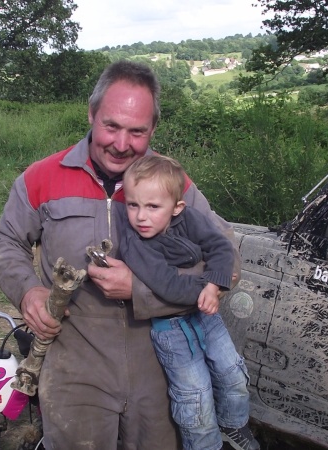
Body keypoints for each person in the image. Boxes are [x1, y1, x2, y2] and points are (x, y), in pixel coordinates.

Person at [0, 60, 240, 449]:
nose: (122, 144)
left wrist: (141, 289)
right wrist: (27, 292)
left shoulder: (173, 187)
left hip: (160, 367)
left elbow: (227, 261)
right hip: (75, 367)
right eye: (111, 126)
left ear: (153, 129)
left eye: (137, 131)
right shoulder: (42, 176)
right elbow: (6, 241)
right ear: (91, 114)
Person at [116, 154, 258, 450]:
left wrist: (214, 282)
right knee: (196, 397)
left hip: (208, 317)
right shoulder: (134, 243)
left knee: (232, 373)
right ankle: (206, 445)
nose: (141, 217)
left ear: (177, 207)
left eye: (153, 207)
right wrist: (205, 285)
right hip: (171, 330)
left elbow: (220, 246)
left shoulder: (189, 219)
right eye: (133, 205)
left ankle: (233, 425)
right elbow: (167, 285)